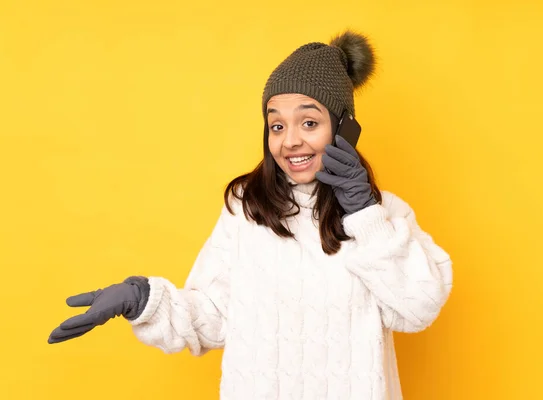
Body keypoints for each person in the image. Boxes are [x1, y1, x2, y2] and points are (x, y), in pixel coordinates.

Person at [48, 30, 453, 400]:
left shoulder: (383, 216)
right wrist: (144, 299)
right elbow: (212, 317)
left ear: (344, 127)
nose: (290, 140)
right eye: (276, 126)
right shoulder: (246, 208)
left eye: (309, 122)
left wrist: (363, 212)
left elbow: (418, 308)